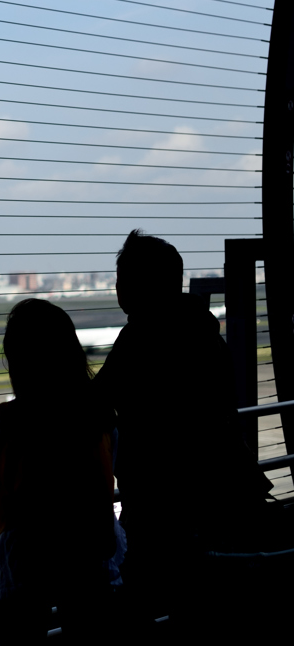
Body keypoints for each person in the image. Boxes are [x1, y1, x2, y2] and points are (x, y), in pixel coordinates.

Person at [93, 230, 271, 640]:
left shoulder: (140, 337)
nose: (117, 289)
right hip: (219, 499)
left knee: (137, 606)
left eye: (122, 279)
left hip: (162, 508)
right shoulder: (206, 335)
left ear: (142, 285)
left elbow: (94, 405)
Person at [0, 299, 123, 644]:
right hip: (89, 550)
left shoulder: (1, 421)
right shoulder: (101, 416)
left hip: (25, 556)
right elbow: (110, 471)